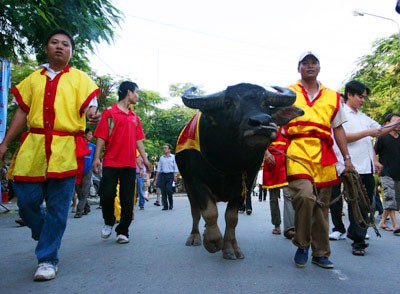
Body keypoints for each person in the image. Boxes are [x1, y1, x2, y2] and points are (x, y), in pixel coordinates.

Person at [0, 28, 100, 281]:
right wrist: (4, 144)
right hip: (33, 146)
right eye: (54, 42)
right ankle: (44, 232)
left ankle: (47, 258)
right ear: (46, 48)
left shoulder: (81, 79)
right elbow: (21, 113)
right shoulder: (33, 79)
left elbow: (91, 108)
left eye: (65, 44)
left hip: (65, 148)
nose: (59, 46)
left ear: (71, 52)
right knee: (26, 200)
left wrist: (92, 115)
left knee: (58, 206)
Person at [285, 51, 354, 269]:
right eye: (305, 63)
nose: (310, 66)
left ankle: (321, 253)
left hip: (324, 154)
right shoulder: (287, 93)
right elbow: (275, 123)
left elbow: (338, 129)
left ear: (319, 68)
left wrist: (347, 159)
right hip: (297, 151)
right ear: (299, 68)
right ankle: (303, 243)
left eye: (314, 62)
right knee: (305, 197)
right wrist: (269, 148)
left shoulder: (333, 96)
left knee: (321, 208)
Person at [334, 81, 399, 255]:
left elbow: (379, 130)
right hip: (349, 166)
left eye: (364, 97)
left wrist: (393, 124)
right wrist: (366, 133)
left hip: (366, 167)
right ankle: (358, 241)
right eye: (360, 96)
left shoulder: (363, 117)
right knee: (356, 202)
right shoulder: (340, 114)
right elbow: (343, 137)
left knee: (366, 203)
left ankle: (355, 232)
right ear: (350, 95)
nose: (363, 100)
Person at [93, 81, 151, 244]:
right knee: (107, 194)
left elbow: (138, 140)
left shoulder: (134, 117)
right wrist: (97, 157)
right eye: (136, 93)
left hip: (129, 164)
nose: (137, 96)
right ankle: (109, 221)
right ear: (128, 92)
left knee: (127, 200)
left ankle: (123, 231)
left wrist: (145, 160)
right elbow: (102, 136)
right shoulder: (109, 113)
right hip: (111, 161)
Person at [263, 129, 295, 239]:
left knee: (288, 195)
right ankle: (276, 224)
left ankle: (290, 226)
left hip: (286, 159)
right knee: (273, 197)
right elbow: (262, 140)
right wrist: (266, 153)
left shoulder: (288, 123)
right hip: (272, 160)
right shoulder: (268, 122)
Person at [374, 113, 400, 234]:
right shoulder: (382, 138)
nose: (398, 124)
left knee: (394, 200)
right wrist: (375, 163)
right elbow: (373, 151)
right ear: (387, 124)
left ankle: (383, 221)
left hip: (398, 174)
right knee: (390, 198)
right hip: (386, 173)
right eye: (395, 121)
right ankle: (395, 224)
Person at [74, 129, 96, 218]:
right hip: (78, 170)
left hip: (88, 170)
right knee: (79, 191)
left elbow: (95, 158)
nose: (91, 136)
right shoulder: (78, 144)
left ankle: (79, 211)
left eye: (92, 134)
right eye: (90, 134)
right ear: (85, 135)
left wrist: (96, 168)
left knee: (84, 190)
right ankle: (86, 207)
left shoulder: (93, 146)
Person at [154, 144, 178, 210]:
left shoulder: (173, 157)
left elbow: (175, 167)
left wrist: (175, 175)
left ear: (169, 150)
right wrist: (156, 177)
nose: (164, 149)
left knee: (169, 189)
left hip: (170, 175)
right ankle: (165, 206)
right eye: (163, 148)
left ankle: (171, 204)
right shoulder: (162, 158)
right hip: (163, 175)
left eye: (165, 148)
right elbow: (159, 168)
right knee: (163, 191)